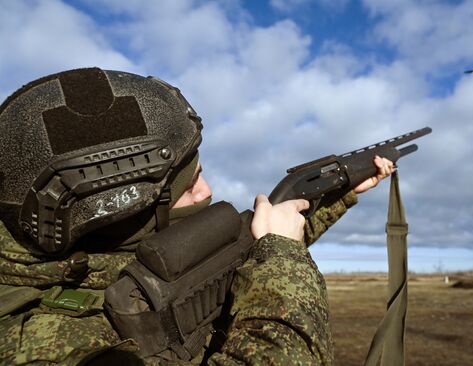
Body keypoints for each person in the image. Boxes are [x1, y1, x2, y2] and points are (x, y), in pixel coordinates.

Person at [0, 68, 394, 365]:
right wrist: (283, 260)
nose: (206, 192)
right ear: (119, 215)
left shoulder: (102, 259)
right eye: (190, 185)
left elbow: (228, 255)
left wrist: (338, 196)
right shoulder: (47, 346)